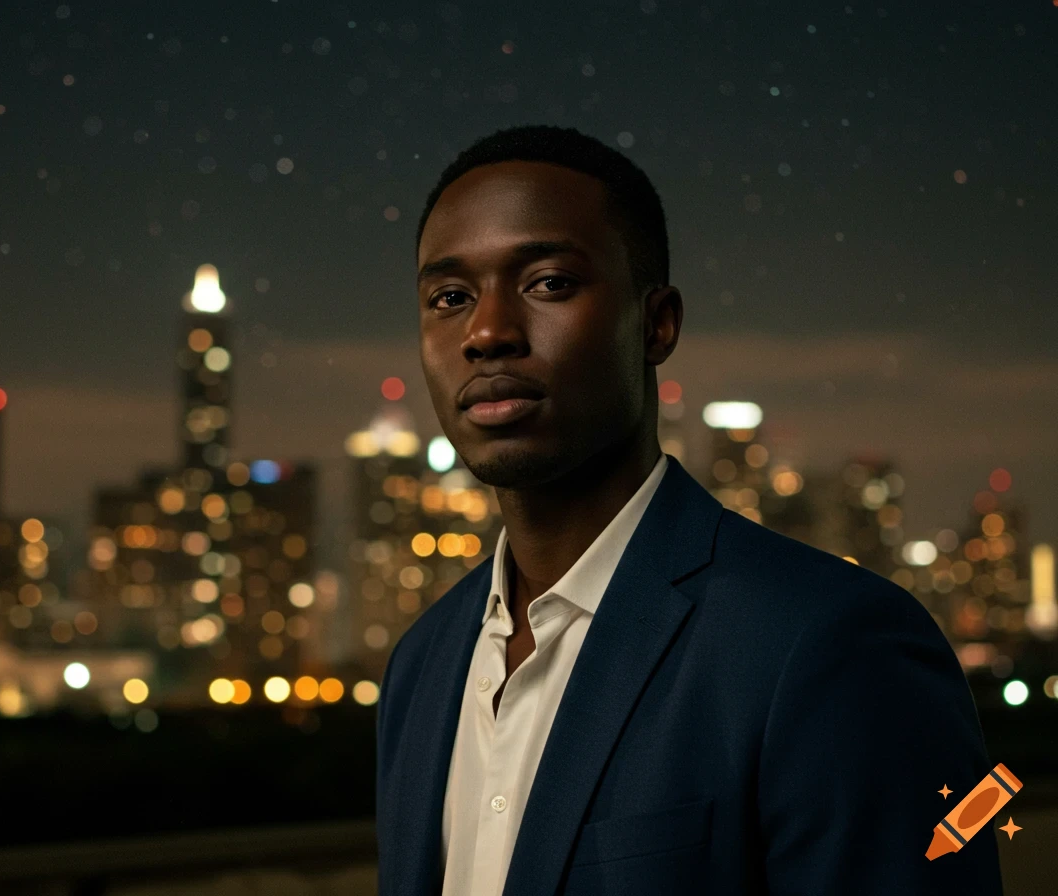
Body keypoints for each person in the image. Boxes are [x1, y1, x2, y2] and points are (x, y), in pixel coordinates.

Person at [374, 124, 1003, 895]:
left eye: (548, 283)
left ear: (658, 322)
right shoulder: (420, 665)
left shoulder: (829, 645)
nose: (488, 332)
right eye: (450, 297)